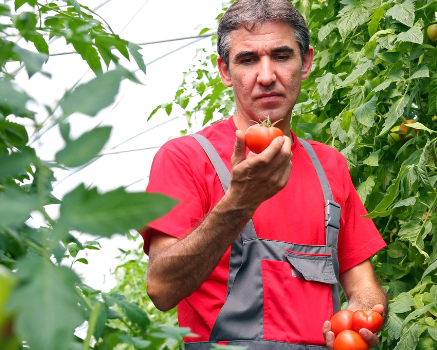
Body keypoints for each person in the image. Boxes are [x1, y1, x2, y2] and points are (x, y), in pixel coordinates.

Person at [141, 0, 388, 348]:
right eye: (247, 59)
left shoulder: (329, 165)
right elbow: (161, 289)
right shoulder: (186, 158)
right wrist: (240, 201)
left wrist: (360, 322)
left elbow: (363, 285)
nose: (267, 75)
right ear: (225, 72)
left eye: (282, 55)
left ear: (306, 63)